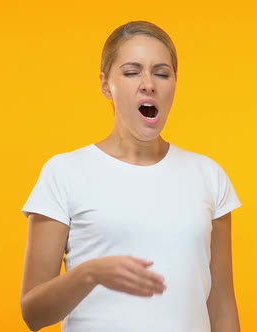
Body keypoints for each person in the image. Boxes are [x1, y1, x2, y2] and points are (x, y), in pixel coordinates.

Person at [20, 20, 242, 332]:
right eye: (131, 71)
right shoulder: (64, 173)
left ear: (174, 83)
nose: (149, 83)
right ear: (104, 84)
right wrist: (90, 274)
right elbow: (34, 313)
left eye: (162, 73)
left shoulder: (208, 176)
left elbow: (221, 308)